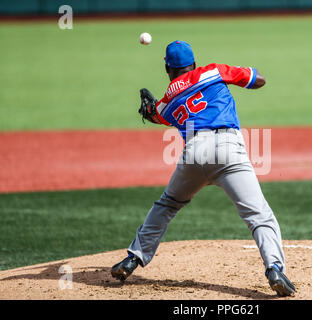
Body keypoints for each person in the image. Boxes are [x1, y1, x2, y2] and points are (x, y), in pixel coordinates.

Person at [111, 40, 296, 296]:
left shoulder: (168, 99)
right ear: (194, 64)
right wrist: (244, 73)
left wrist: (151, 109)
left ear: (167, 69)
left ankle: (133, 259)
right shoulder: (212, 71)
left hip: (193, 155)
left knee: (167, 204)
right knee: (259, 216)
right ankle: (274, 268)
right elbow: (259, 80)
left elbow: (157, 115)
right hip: (229, 151)